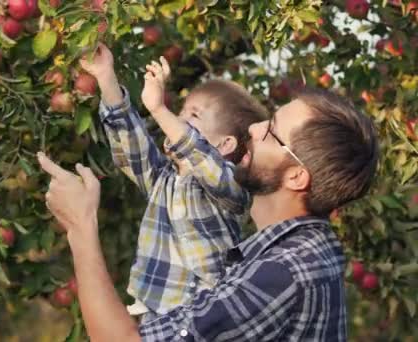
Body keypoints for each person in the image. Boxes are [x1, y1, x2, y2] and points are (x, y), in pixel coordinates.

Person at [37, 87, 379, 341]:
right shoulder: (303, 251)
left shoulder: (282, 274)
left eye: (272, 132)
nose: (255, 129)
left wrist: (80, 226)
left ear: (296, 177)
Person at [78, 43, 267, 320]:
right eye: (179, 112)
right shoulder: (162, 180)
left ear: (225, 144)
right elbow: (130, 144)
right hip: (157, 317)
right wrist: (106, 76)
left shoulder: (231, 188)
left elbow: (201, 157)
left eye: (193, 115)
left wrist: (158, 109)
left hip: (206, 319)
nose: (176, 120)